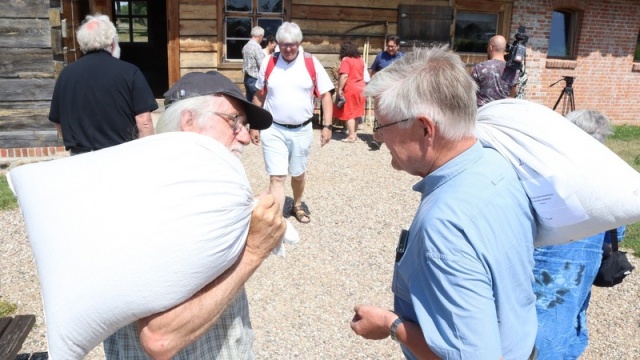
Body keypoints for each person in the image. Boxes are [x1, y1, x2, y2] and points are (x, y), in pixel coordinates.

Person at [349, 46, 538, 359]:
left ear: (425, 129)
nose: (379, 139)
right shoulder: (495, 163)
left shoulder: (443, 228)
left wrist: (390, 324)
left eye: (382, 127)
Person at [103, 71, 286, 359]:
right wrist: (254, 249)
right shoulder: (151, 200)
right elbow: (160, 337)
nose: (245, 137)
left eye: (244, 124)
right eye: (234, 121)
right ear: (189, 121)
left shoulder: (196, 191)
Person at [533, 109, 625, 360]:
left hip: (530, 300)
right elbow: (617, 234)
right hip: (570, 294)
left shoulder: (537, 178)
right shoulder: (609, 188)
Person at [250, 22, 334, 224]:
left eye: (293, 44)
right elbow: (260, 95)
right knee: (277, 177)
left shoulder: (311, 63)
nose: (288, 48)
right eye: (284, 44)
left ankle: (297, 203)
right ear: (278, 43)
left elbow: (325, 95)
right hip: (273, 128)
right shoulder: (269, 62)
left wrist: (327, 126)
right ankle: (278, 221)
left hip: (302, 129)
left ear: (299, 43)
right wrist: (254, 124)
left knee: (298, 173)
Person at [48, 13, 157, 155]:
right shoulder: (130, 72)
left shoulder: (66, 75)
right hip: (120, 155)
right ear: (112, 43)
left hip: (81, 157)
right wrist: (147, 154)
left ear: (81, 44)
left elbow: (58, 120)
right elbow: (144, 121)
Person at [368, 35, 404, 150]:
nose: (390, 48)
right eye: (388, 46)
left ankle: (395, 139)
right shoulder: (380, 56)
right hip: (382, 90)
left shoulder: (403, 58)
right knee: (379, 115)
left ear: (398, 46)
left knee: (396, 115)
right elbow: (373, 72)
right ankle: (377, 139)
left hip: (397, 91)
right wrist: (373, 87)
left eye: (392, 46)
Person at [471, 35, 519, 107]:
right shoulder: (513, 70)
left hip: (482, 112)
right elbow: (513, 93)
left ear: (490, 48)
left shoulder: (480, 67)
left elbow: (470, 90)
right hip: (501, 112)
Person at [334, 42, 366, 143]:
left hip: (351, 88)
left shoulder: (346, 60)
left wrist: (340, 89)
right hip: (361, 87)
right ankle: (354, 134)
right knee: (356, 113)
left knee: (349, 113)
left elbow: (344, 76)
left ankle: (351, 136)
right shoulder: (360, 59)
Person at [242, 26, 265, 102]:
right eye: (262, 36)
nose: (262, 39)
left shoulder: (246, 46)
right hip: (255, 79)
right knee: (259, 102)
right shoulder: (256, 47)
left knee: (249, 102)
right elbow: (262, 64)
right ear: (259, 36)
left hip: (247, 78)